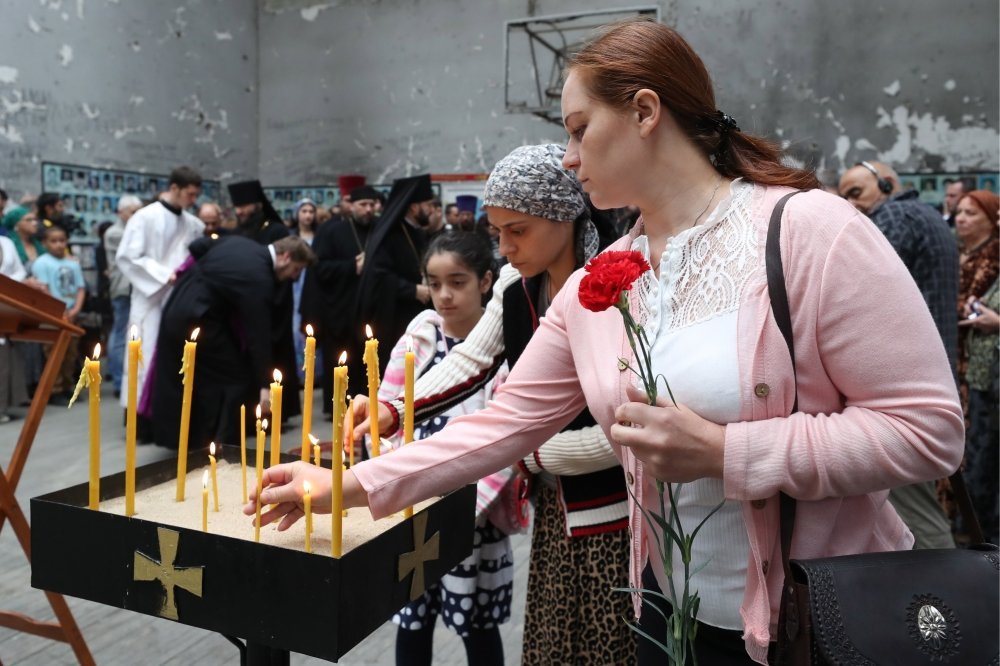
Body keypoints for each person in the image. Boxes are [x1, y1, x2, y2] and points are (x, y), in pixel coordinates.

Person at [249, 20, 963, 666]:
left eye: (579, 129)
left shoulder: (809, 232)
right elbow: (506, 420)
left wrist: (727, 454)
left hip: (811, 621)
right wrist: (349, 486)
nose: (567, 158)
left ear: (646, 112)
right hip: (664, 615)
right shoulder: (604, 282)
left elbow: (927, 431)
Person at [359, 146, 641, 664]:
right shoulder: (517, 286)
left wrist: (534, 455)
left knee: (609, 643)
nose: (505, 247)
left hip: (617, 509)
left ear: (564, 213)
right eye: (497, 233)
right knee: (555, 642)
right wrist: (394, 407)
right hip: (555, 509)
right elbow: (472, 361)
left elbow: (628, 424)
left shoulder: (611, 285)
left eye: (518, 229)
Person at [382, 232, 511, 666]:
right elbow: (387, 419)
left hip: (471, 511)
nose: (444, 295)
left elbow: (505, 439)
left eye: (457, 282)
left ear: (486, 281)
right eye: (434, 283)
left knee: (477, 623)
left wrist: (467, 505)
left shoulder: (505, 353)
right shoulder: (416, 343)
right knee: (412, 619)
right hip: (413, 510)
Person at [837, 160, 958, 548]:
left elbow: (852, 283)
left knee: (916, 511)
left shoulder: (894, 215)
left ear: (888, 183)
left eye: (856, 193)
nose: (851, 205)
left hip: (903, 387)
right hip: (930, 376)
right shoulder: (928, 216)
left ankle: (953, 599)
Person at [152, 235, 314, 450]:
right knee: (236, 378)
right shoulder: (260, 278)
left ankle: (201, 440)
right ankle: (227, 445)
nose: (294, 277)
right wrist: (265, 385)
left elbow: (198, 245)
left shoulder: (241, 242)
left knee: (202, 378)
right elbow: (259, 335)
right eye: (296, 269)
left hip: (179, 304)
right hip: (198, 317)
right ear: (286, 257)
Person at [115, 166, 205, 433]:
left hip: (180, 300)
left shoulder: (193, 223)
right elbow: (128, 256)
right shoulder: (144, 217)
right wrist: (165, 275)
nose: (193, 200)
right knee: (142, 355)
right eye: (190, 194)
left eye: (195, 195)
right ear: (174, 188)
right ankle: (140, 420)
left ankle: (168, 417)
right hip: (151, 297)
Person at [227, 179, 300, 424]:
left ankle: (278, 410)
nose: (240, 212)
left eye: (244, 206)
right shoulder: (238, 231)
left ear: (257, 205)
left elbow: (283, 272)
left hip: (273, 303)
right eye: (237, 207)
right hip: (245, 304)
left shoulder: (276, 230)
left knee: (273, 353)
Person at [306, 185, 379, 402]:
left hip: (370, 306)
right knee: (342, 356)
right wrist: (352, 267)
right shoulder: (332, 231)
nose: (367, 209)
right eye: (362, 205)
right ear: (351, 206)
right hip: (340, 307)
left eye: (371, 205)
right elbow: (320, 267)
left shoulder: (379, 229)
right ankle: (338, 403)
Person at [355, 174, 435, 371]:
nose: (432, 210)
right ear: (414, 207)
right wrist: (413, 290)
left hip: (416, 315)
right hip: (393, 319)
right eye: (428, 204)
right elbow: (378, 276)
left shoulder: (416, 231)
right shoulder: (390, 234)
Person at [955, 189, 1000, 413]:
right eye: (959, 211)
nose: (960, 218)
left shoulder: (994, 254)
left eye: (970, 213)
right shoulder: (958, 249)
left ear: (992, 220)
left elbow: (970, 302)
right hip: (957, 342)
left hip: (981, 352)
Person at [31, 226, 86, 404]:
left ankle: (69, 387)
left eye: (62, 240)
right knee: (53, 352)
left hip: (71, 313)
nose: (59, 245)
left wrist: (75, 309)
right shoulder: (42, 262)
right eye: (53, 241)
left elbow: (80, 288)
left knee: (71, 351)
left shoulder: (72, 263)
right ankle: (55, 390)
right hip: (52, 314)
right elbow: (44, 289)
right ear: (44, 243)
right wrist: (60, 310)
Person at [103, 195, 143, 398]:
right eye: (133, 212)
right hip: (122, 287)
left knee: (130, 333)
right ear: (122, 212)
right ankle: (119, 381)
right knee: (120, 333)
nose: (138, 215)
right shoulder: (115, 233)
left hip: (134, 286)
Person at [0, 234, 31, 422]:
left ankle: (2, 407)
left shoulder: (7, 242)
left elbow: (20, 271)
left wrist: (7, 283)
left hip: (6, 305)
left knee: (4, 361)